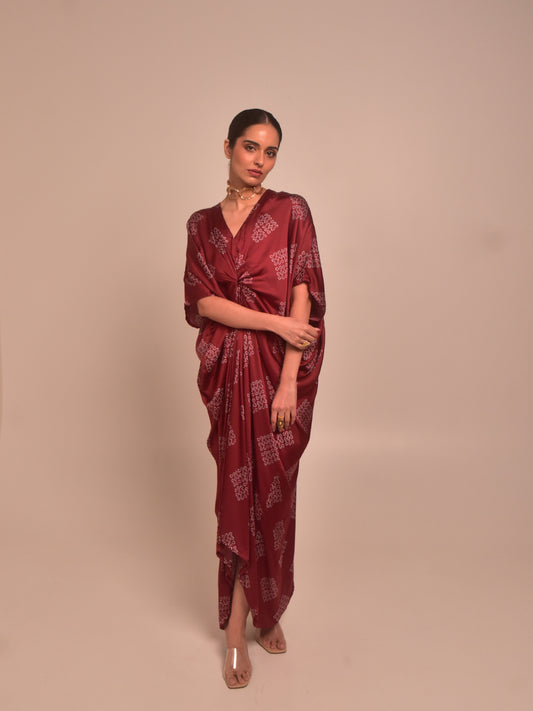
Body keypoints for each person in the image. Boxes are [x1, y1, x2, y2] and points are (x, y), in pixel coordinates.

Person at [183, 108, 326, 689]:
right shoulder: (201, 225)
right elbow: (203, 302)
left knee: (274, 493)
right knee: (237, 495)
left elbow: (303, 297)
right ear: (227, 147)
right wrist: (270, 324)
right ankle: (237, 630)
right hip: (229, 374)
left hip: (277, 376)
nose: (260, 161)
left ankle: (267, 609)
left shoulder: (292, 211)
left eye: (270, 152)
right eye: (250, 147)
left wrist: (289, 379)